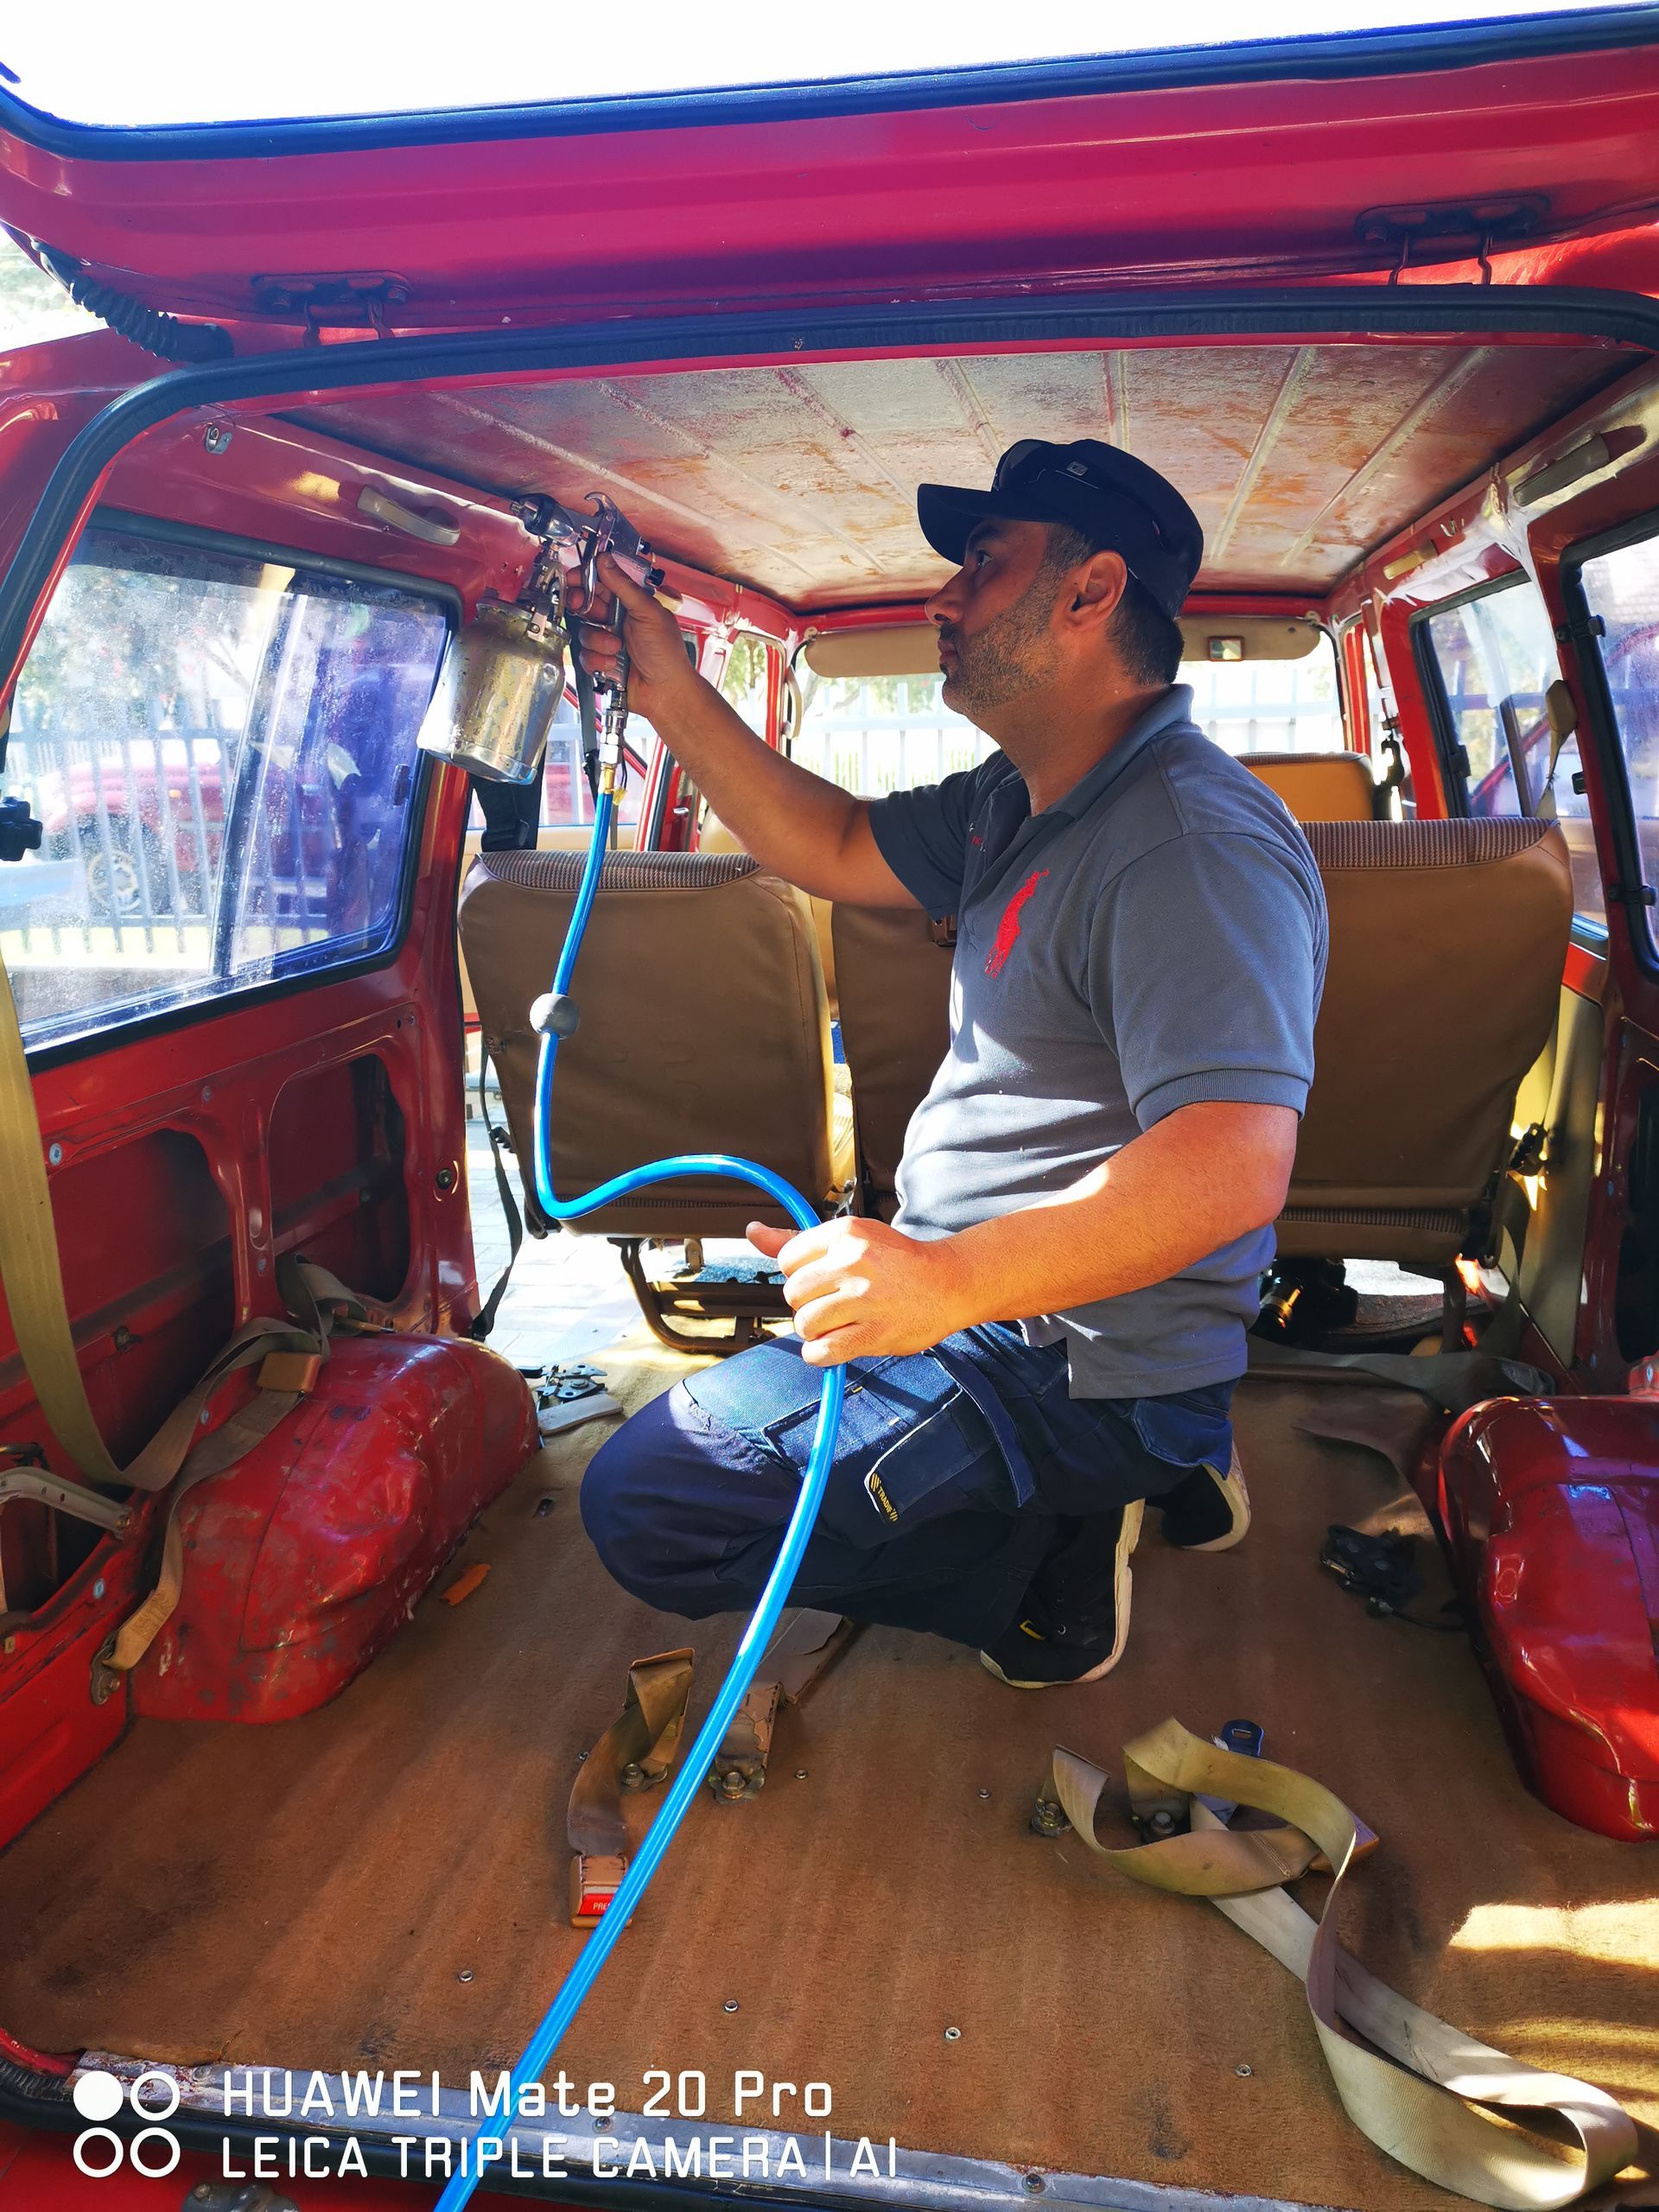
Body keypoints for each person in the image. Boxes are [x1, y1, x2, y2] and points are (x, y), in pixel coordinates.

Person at [575, 438, 1328, 1687]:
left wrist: (949, 1281)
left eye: (983, 564)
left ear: (1091, 593)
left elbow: (1234, 1164)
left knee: (660, 1503)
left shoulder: (1186, 843)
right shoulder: (1017, 796)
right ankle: (1120, 1477)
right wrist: (667, 693)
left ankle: (1046, 1565)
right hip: (985, 1304)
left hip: (1064, 1354)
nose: (943, 596)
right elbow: (832, 841)